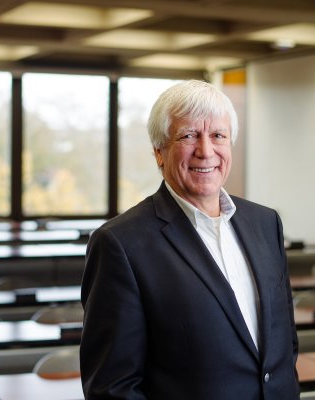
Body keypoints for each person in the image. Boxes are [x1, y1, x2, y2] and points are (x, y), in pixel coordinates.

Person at [80, 80, 299, 399]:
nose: (205, 151)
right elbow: (112, 388)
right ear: (159, 151)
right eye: (188, 135)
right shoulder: (120, 244)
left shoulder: (266, 223)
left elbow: (284, 345)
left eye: (218, 136)